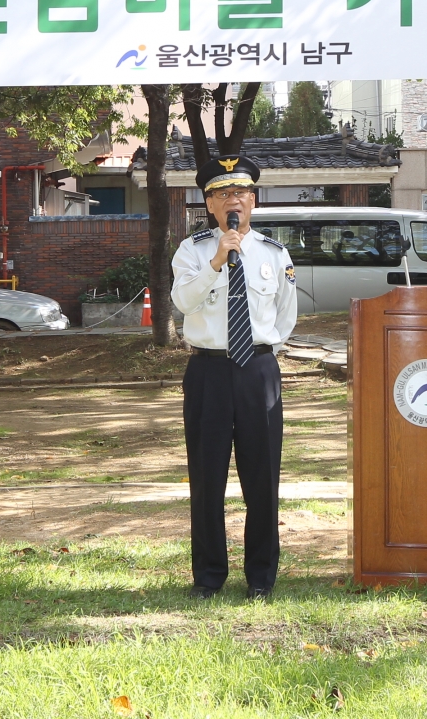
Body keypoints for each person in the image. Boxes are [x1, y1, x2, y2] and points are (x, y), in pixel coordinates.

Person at [169, 154, 297, 600]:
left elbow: (285, 316)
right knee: (207, 479)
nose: (233, 201)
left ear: (254, 200)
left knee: (262, 477)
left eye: (240, 192)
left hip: (258, 370)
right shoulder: (193, 251)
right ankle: (209, 577)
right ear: (209, 205)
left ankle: (261, 576)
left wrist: (264, 353)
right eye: (223, 194)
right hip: (208, 371)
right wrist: (217, 261)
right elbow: (184, 302)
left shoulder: (275, 254)